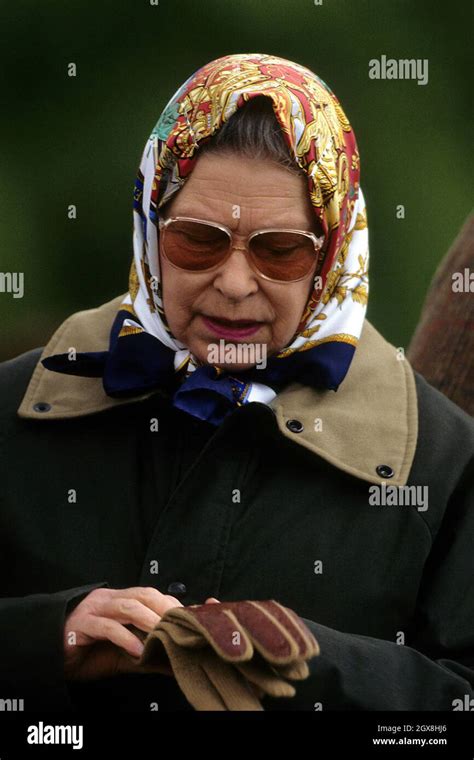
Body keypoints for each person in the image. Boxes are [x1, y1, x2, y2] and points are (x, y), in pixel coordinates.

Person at [0, 53, 473, 712]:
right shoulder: (16, 407)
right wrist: (43, 638)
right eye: (198, 240)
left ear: (332, 253)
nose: (233, 283)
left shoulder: (445, 462)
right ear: (147, 226)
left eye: (281, 251)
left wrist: (308, 667)